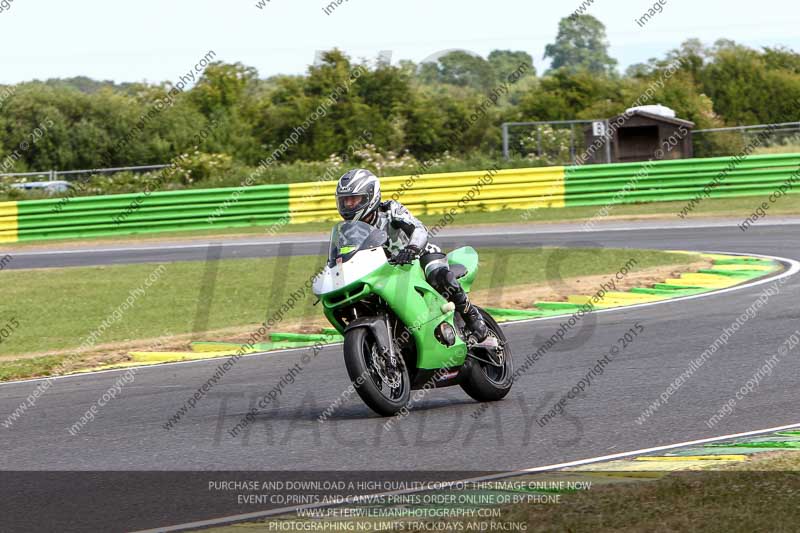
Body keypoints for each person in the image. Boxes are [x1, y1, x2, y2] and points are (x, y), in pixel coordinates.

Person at [335, 168, 488, 341]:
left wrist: (412, 248)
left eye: (353, 199)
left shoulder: (391, 210)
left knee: (439, 275)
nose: (348, 205)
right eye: (345, 201)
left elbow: (419, 229)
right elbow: (345, 258)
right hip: (384, 273)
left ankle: (474, 319)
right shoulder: (347, 232)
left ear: (370, 196)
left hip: (417, 257)